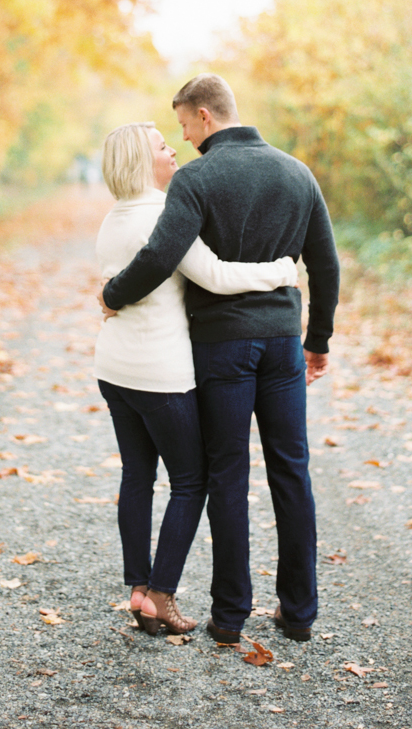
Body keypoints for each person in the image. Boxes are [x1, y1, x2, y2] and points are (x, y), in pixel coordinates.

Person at [98, 75, 340, 645]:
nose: (183, 138)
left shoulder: (197, 179)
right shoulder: (296, 172)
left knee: (227, 474)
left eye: (183, 124)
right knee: (291, 470)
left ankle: (230, 615)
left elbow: (161, 254)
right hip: (282, 344)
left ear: (205, 116)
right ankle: (299, 612)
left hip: (220, 348)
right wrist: (318, 339)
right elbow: (325, 265)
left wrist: (111, 294)